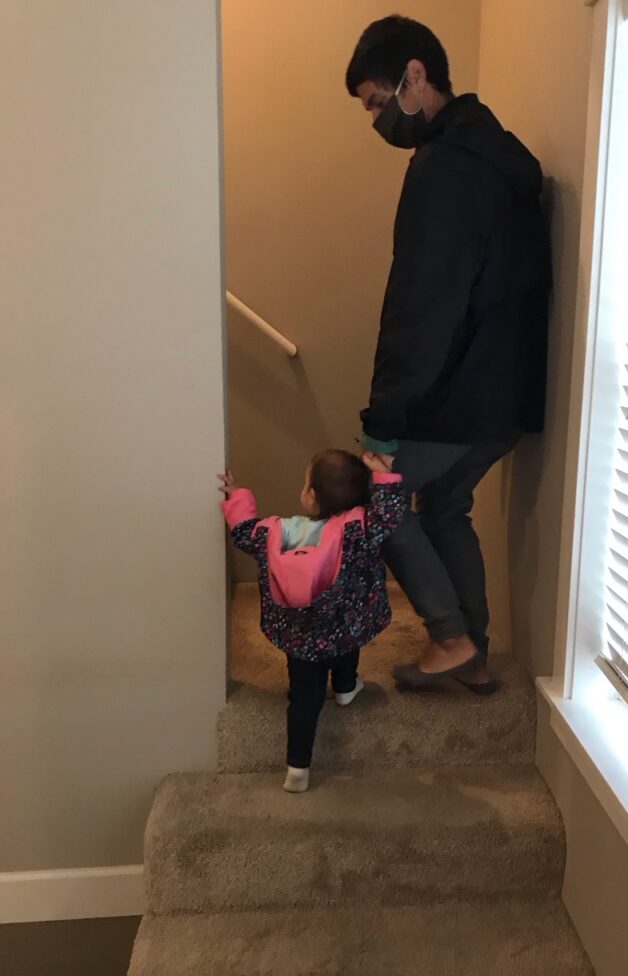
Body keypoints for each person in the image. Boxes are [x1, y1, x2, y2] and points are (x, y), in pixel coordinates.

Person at [346, 15, 551, 695]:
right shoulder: (501, 158)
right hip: (506, 394)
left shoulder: (443, 169)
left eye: (378, 102)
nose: (376, 120)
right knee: (444, 507)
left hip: (454, 391)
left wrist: (383, 421)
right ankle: (475, 655)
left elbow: (421, 303)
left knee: (375, 499)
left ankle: (449, 636)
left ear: (415, 76)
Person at [218, 451, 406, 793]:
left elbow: (243, 531)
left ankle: (297, 767)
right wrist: (384, 476)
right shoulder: (359, 528)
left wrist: (237, 496)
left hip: (301, 636)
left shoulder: (277, 533)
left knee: (304, 698)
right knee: (347, 648)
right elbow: (389, 515)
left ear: (311, 496)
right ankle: (346, 688)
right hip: (346, 626)